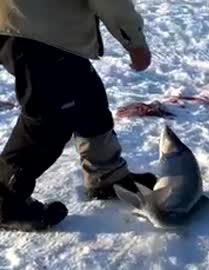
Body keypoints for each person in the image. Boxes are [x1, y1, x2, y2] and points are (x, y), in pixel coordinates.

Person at [0, 0, 157, 230]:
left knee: (87, 99)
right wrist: (135, 42)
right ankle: (6, 198)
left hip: (32, 24)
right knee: (51, 115)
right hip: (38, 31)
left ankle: (106, 175)